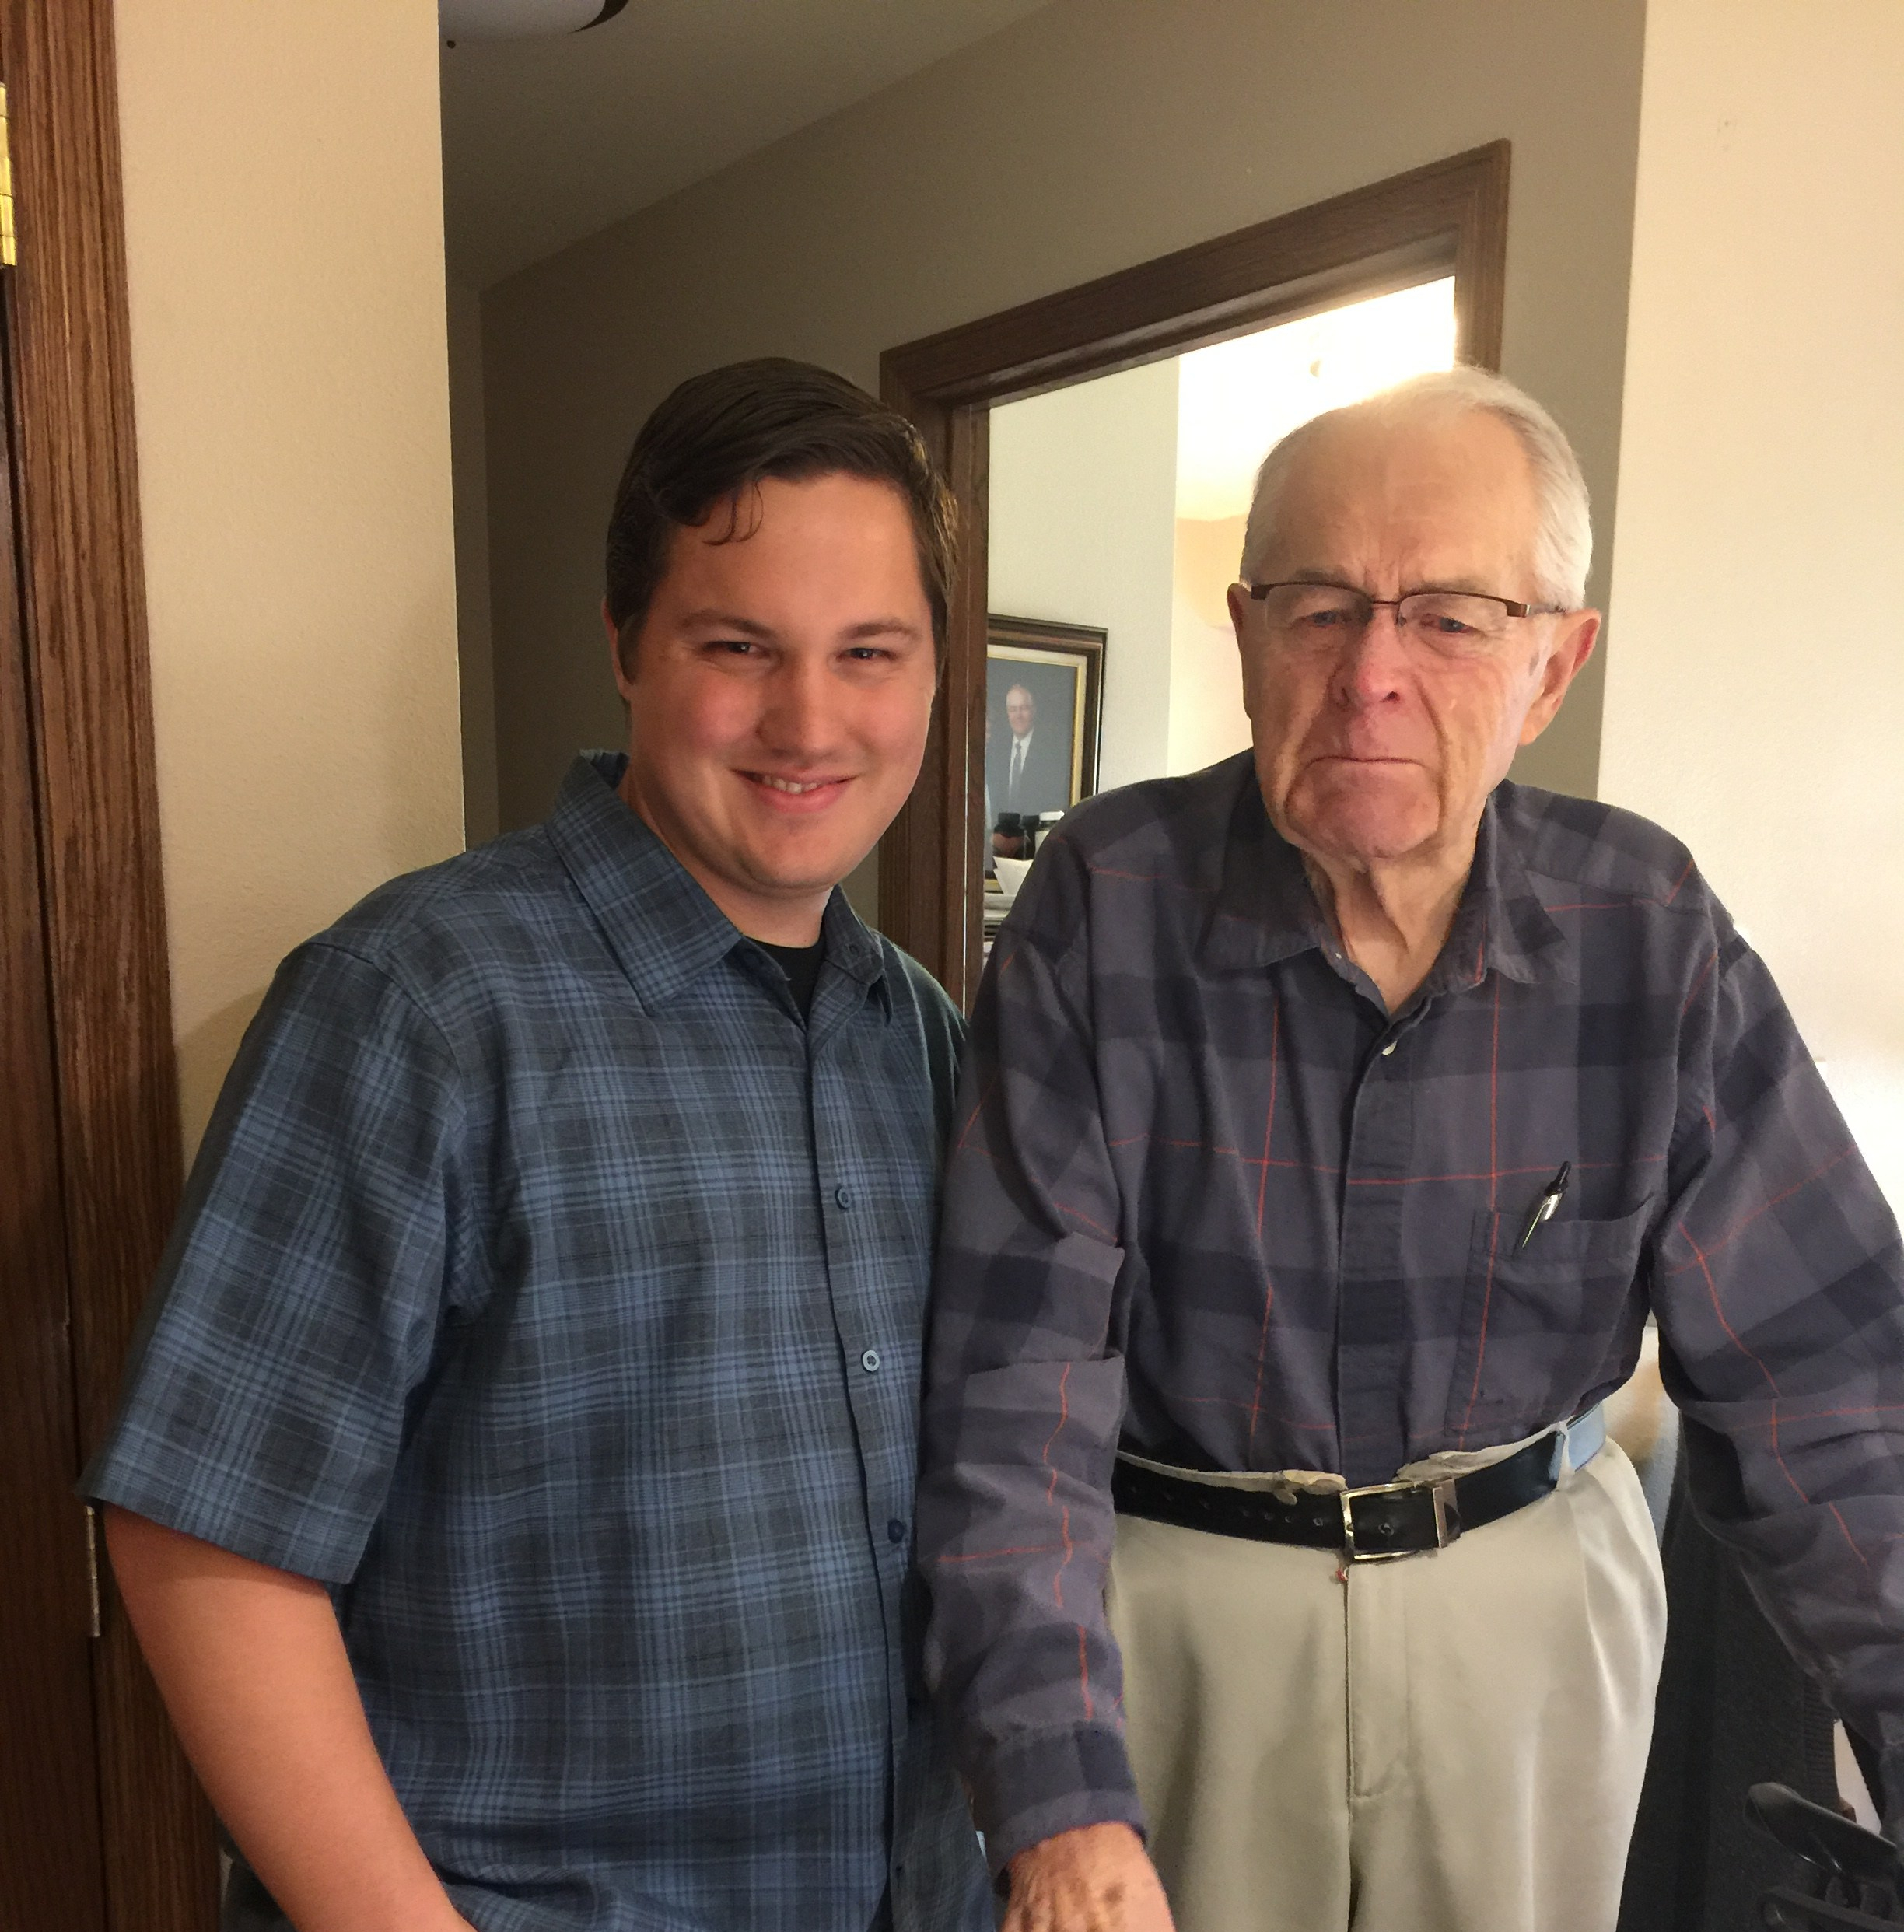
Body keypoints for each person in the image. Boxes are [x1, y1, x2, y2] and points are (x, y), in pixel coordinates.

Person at [915, 366, 1904, 1932]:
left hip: (1528, 1619)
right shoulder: (1107, 902)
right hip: (1179, 1615)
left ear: (1553, 664)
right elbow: (1012, 1391)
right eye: (1319, 608)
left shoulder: (1646, 928)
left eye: (1451, 616)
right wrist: (1056, 1800)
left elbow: (1831, 1386)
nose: (1371, 674)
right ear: (1247, 636)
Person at [85, 359, 992, 1932]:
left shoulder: (918, 1031)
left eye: (869, 652)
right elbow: (205, 1538)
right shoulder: (416, 1004)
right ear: (625, 644)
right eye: (738, 647)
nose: (808, 718)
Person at [996, 681, 1070, 819]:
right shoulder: (997, 749)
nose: (1018, 715)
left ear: (1034, 710)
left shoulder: (1052, 751)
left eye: (1024, 708)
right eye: (1013, 709)